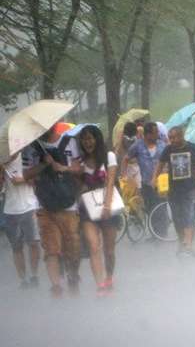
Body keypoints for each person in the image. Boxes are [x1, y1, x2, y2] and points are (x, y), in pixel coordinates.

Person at [23, 125, 82, 297]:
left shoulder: (70, 142)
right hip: (44, 205)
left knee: (73, 247)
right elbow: (26, 174)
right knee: (51, 248)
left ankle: (72, 276)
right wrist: (43, 164)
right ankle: (56, 287)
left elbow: (79, 168)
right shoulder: (31, 147)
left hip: (69, 204)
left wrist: (63, 168)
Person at [154, 126, 195, 253]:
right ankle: (182, 241)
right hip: (173, 189)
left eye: (174, 137)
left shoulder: (193, 148)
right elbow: (160, 164)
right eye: (170, 138)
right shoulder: (168, 150)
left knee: (189, 214)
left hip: (190, 188)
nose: (172, 140)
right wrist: (154, 179)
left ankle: (189, 243)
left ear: (181, 135)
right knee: (176, 217)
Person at [77, 125, 119, 296]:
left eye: (90, 138)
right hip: (87, 210)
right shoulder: (79, 162)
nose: (88, 142)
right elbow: (79, 188)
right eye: (84, 139)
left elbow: (110, 182)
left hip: (108, 207)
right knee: (94, 246)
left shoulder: (109, 157)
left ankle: (109, 276)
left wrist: (107, 206)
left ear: (97, 139)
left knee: (109, 250)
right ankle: (100, 284)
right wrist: (76, 175)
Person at [0, 153, 41, 289]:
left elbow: (39, 177)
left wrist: (24, 179)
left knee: (34, 243)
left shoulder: (29, 155)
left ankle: (34, 275)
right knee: (16, 247)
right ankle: (23, 279)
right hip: (11, 209)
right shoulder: (2, 160)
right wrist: (2, 167)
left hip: (30, 206)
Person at [122, 122, 166, 232]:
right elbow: (126, 159)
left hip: (162, 183)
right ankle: (154, 233)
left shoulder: (162, 144)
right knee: (150, 208)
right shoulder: (137, 146)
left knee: (161, 207)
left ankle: (162, 232)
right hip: (147, 183)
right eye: (155, 132)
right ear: (148, 135)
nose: (158, 134)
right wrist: (124, 175)